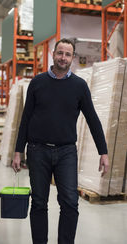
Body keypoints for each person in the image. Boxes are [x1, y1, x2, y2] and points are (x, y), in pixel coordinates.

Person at [12, 38, 109, 244]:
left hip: (66, 152)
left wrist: (104, 152)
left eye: (67, 54)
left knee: (70, 203)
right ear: (53, 55)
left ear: (72, 58)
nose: (63, 57)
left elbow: (92, 119)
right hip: (38, 151)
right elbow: (26, 118)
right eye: (60, 53)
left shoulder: (79, 86)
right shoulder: (37, 83)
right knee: (38, 203)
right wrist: (18, 151)